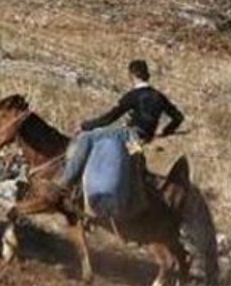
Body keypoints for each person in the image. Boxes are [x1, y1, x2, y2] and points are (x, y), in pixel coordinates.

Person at [54, 60, 185, 216]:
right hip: (140, 140)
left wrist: (85, 125)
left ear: (131, 75)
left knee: (87, 137)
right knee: (135, 163)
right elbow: (178, 117)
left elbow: (109, 118)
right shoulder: (159, 96)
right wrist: (165, 131)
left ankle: (65, 182)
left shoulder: (133, 95)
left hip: (128, 135)